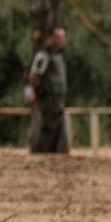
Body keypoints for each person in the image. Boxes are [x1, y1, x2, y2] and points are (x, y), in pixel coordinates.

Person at [27, 26, 70, 155]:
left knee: (58, 126)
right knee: (49, 126)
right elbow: (34, 75)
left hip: (57, 98)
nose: (62, 40)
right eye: (59, 37)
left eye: (63, 37)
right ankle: (40, 153)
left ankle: (55, 154)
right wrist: (36, 92)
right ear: (51, 37)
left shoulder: (57, 54)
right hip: (48, 97)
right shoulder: (44, 54)